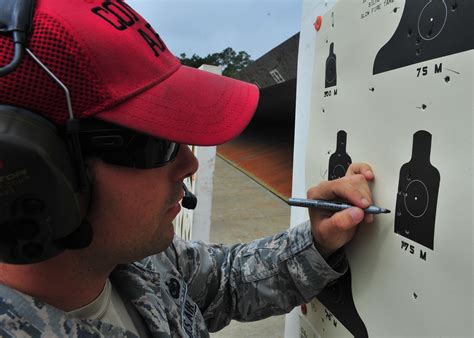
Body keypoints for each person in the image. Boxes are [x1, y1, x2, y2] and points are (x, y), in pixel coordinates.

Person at [0, 1, 376, 337]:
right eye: (157, 143)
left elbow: (229, 282)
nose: (190, 162)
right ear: (36, 171)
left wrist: (319, 241)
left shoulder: (139, 258)